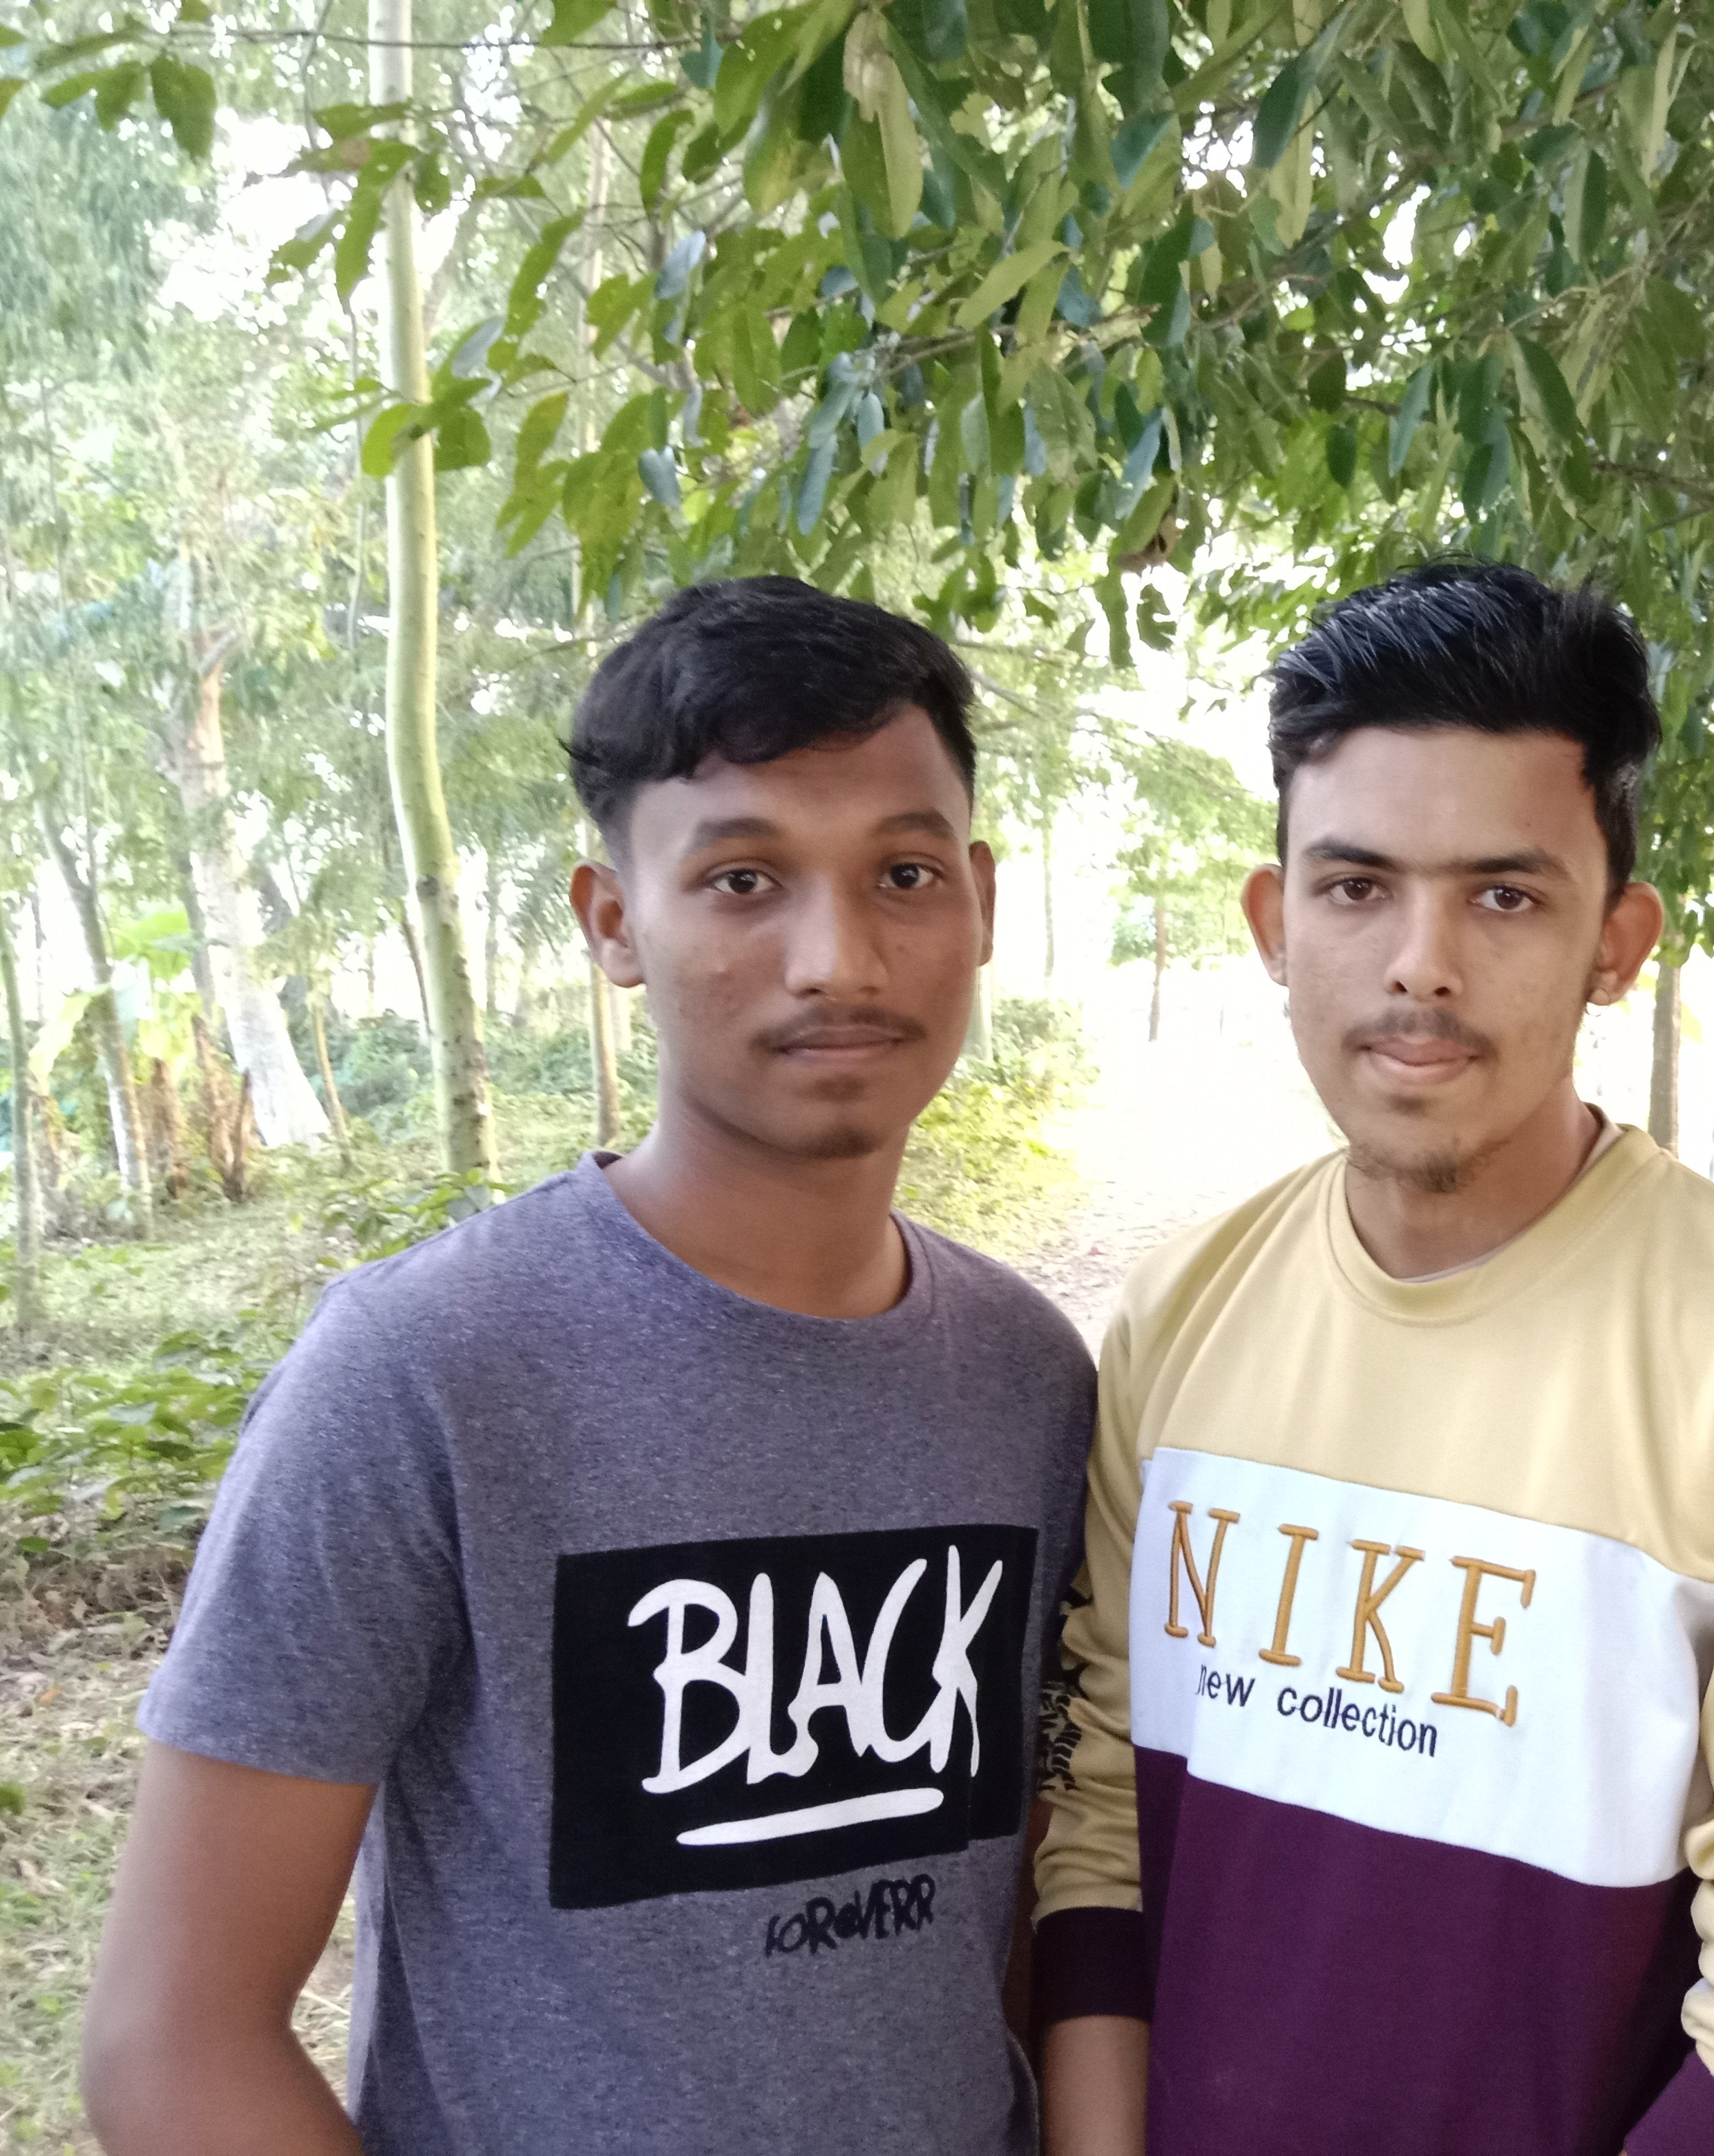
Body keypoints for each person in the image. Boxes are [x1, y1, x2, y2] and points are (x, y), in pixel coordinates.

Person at [82, 576, 1095, 2155]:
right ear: (614, 922)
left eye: (902, 874)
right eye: (744, 879)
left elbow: (1012, 1909)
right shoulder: (423, 1377)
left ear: (977, 902)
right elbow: (171, 2044)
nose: (838, 959)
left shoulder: (1029, 1377)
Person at [1029, 563, 1714, 2156]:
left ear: (1618, 942)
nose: (1421, 963)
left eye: (1505, 896)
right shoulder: (1180, 1316)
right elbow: (1098, 1822)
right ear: (1272, 923)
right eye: (1355, 888)